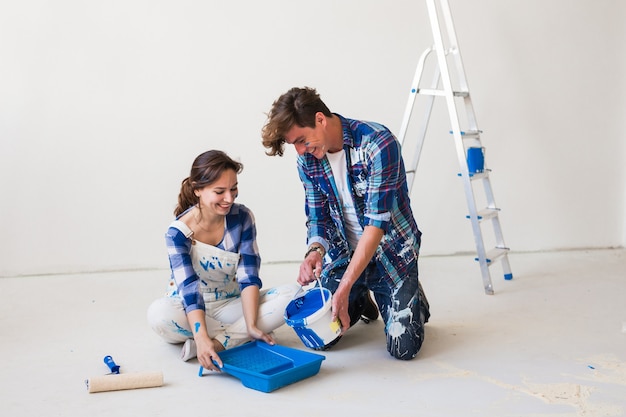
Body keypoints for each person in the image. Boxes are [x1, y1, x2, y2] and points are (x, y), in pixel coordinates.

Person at [261, 87, 430, 360]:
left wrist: (344, 287)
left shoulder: (378, 144)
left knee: (404, 348)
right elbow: (318, 216)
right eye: (295, 145)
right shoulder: (307, 161)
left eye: (302, 140)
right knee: (320, 339)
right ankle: (360, 296)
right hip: (344, 257)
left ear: (320, 119)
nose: (301, 150)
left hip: (391, 256)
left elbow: (376, 225)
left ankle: (409, 296)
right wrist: (314, 251)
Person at [147, 150, 298, 372]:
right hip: (188, 309)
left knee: (292, 295)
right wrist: (200, 334)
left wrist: (252, 323)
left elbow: (248, 276)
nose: (229, 198)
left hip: (230, 304)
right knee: (159, 315)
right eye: (220, 191)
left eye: (233, 189)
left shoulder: (242, 218)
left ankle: (217, 344)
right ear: (198, 189)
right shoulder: (177, 233)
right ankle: (232, 337)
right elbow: (189, 289)